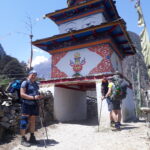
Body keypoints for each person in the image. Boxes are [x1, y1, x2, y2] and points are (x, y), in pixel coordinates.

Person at [20, 70, 43, 147]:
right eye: (32, 74)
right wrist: (33, 97)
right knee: (24, 121)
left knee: (32, 121)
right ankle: (23, 139)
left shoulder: (35, 84)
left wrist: (39, 96)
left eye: (35, 75)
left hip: (34, 105)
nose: (34, 76)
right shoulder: (25, 83)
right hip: (26, 104)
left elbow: (36, 93)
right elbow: (22, 94)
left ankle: (32, 138)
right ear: (29, 75)